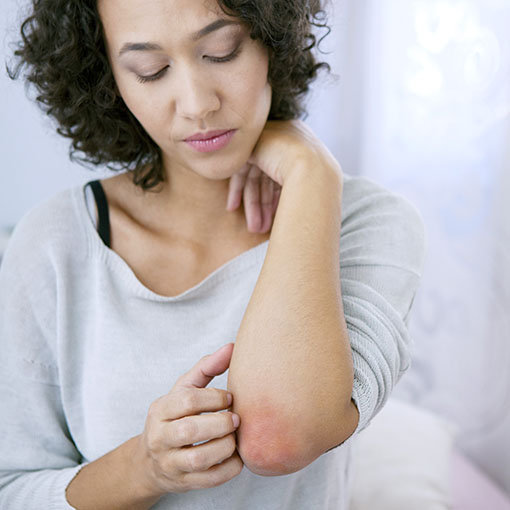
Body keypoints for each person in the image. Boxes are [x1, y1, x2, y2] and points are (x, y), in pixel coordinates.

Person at [0, 0, 426, 509]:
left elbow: (277, 437)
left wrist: (311, 173)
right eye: (150, 70)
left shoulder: (366, 221)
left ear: (273, 38)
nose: (197, 104)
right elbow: (12, 488)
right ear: (108, 76)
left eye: (222, 52)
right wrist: (144, 468)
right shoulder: (55, 242)